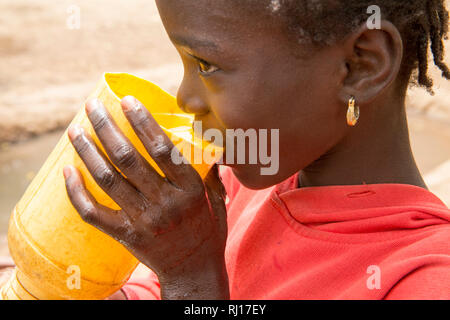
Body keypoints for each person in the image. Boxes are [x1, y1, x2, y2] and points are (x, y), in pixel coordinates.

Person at [3, 0, 450, 299]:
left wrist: (193, 281)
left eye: (207, 65)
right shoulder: (231, 189)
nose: (185, 99)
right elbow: (150, 289)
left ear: (361, 65)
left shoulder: (422, 278)